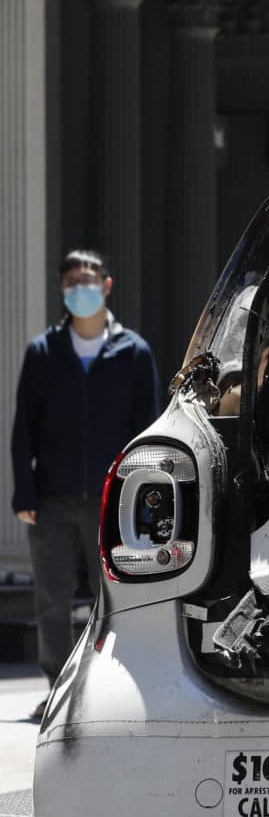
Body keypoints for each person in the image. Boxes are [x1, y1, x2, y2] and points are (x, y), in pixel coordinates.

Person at [11, 250, 162, 722]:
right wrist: (24, 494)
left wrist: (146, 501)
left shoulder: (133, 352)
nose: (82, 288)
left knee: (114, 599)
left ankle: (106, 691)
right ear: (63, 290)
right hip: (52, 498)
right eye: (73, 281)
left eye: (89, 279)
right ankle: (57, 692)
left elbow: (149, 430)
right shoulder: (43, 352)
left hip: (113, 500)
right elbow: (24, 430)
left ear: (107, 285)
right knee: (51, 600)